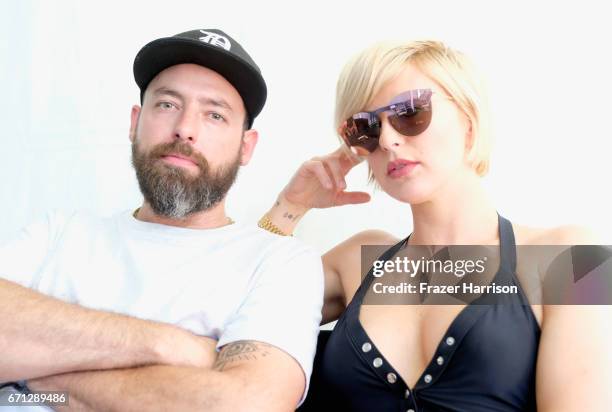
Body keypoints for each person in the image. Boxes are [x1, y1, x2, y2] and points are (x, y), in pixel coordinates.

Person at [259, 40, 612, 410]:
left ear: (469, 124)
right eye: (365, 128)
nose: (389, 140)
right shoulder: (358, 260)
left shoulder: (576, 259)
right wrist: (291, 206)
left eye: (410, 112)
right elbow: (228, 310)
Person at [0, 28, 323, 411]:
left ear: (245, 147)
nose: (185, 129)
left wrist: (32, 372)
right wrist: (171, 345)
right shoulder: (59, 232)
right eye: (168, 104)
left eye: (215, 115)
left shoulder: (281, 263)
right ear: (135, 123)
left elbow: (242, 405)